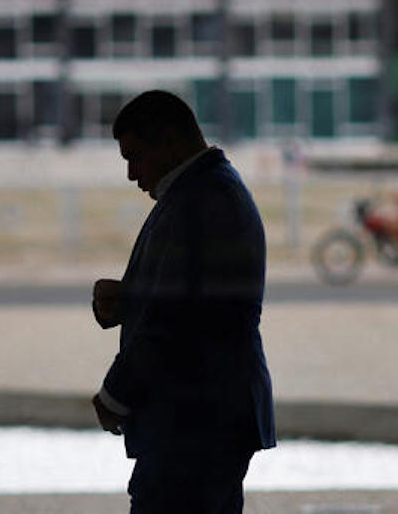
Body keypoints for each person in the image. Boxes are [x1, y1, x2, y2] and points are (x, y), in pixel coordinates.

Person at [91, 90, 276, 514]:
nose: (131, 174)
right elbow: (193, 300)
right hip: (206, 417)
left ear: (170, 141)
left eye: (135, 156)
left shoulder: (200, 201)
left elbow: (174, 322)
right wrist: (132, 297)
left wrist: (114, 395)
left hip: (194, 419)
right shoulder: (206, 191)